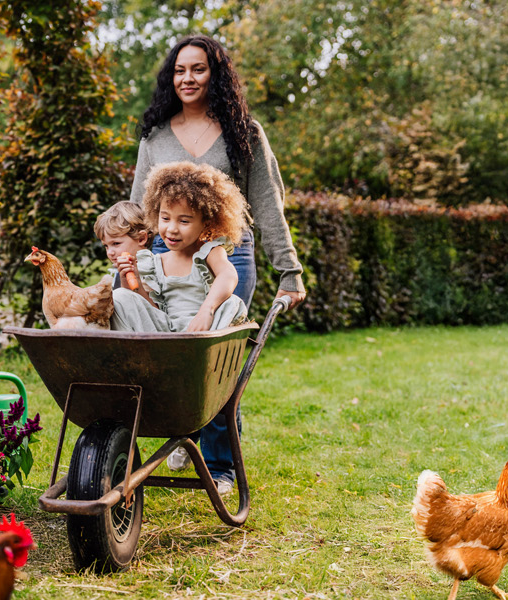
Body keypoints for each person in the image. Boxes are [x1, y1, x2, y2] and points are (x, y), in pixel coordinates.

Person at [128, 34, 308, 494]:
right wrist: (127, 259)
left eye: (199, 69)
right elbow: (138, 207)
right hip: (167, 256)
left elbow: (267, 203)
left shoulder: (244, 131)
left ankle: (221, 463)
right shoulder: (156, 135)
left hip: (231, 254)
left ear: (216, 75)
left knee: (219, 354)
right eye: (180, 70)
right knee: (167, 347)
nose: (188, 78)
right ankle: (177, 433)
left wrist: (289, 271)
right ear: (172, 78)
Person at [108, 162, 248, 333]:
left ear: (207, 222)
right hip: (166, 333)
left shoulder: (210, 252)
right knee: (120, 296)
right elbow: (152, 310)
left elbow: (228, 275)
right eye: (165, 218)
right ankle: (135, 354)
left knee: (232, 302)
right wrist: (131, 281)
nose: (172, 229)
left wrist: (207, 311)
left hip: (205, 328)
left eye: (184, 221)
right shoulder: (155, 263)